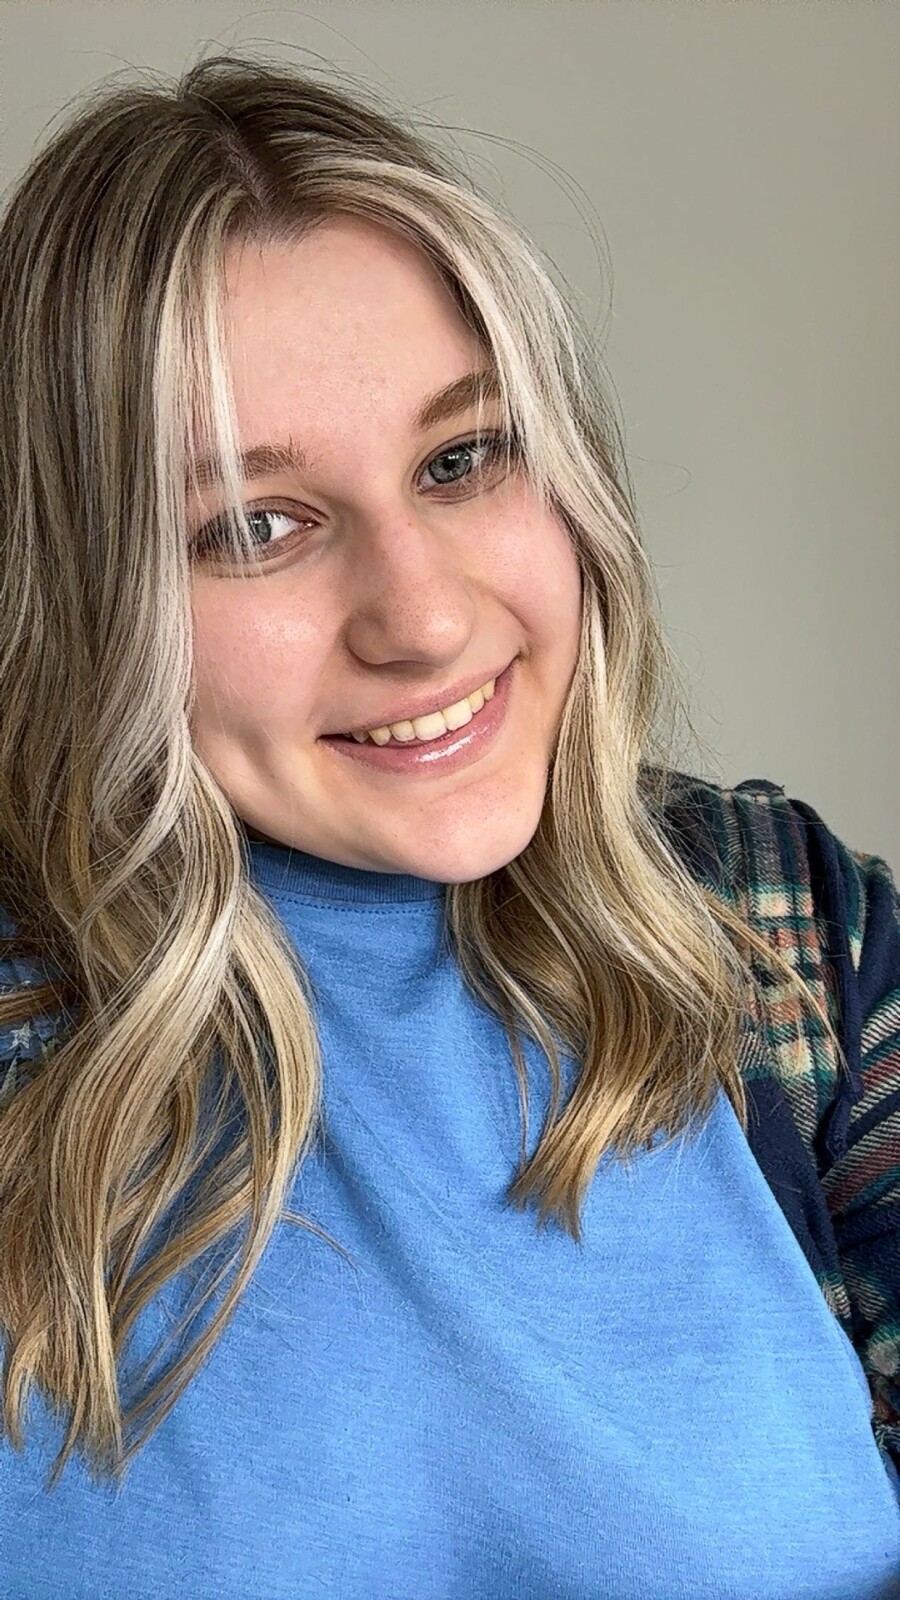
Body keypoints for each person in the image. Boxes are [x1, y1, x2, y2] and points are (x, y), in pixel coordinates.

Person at [0, 50, 897, 1600]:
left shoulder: (795, 928)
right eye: (256, 525)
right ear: (84, 594)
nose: (421, 619)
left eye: (461, 458)